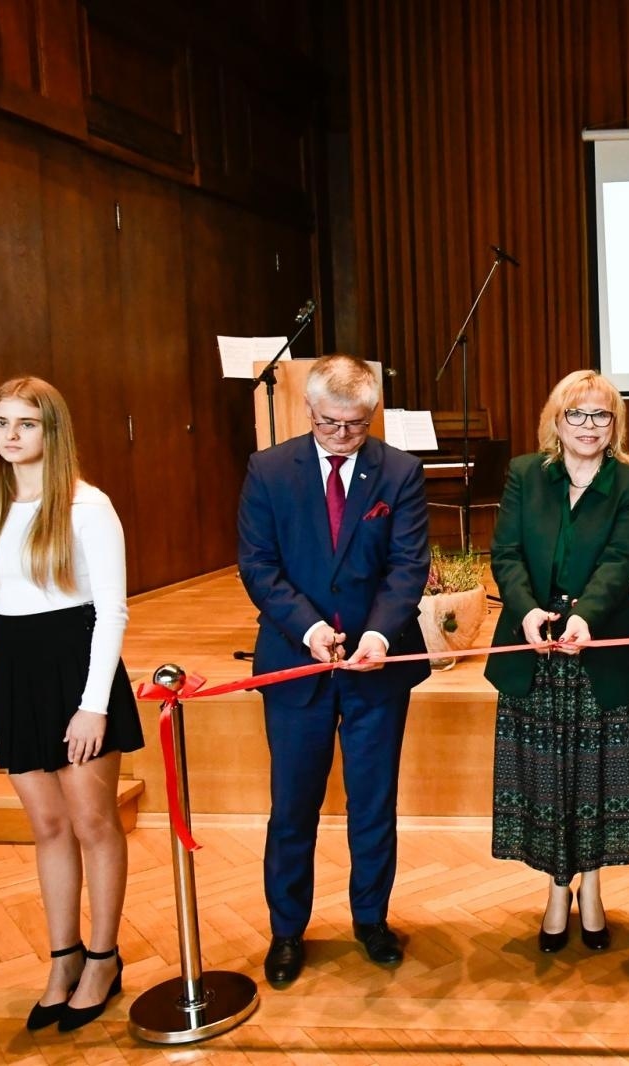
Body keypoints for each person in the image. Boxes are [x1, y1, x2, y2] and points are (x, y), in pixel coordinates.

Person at [0, 377, 144, 1033]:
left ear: (51, 431)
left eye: (26, 424)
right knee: (47, 826)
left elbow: (112, 611)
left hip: (77, 667)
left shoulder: (89, 507)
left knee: (94, 823)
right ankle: (62, 959)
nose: (11, 436)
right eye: (1, 423)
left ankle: (103, 957)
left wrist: (93, 706)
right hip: (12, 671)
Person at [237, 354, 432, 986]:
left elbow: (408, 566)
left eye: (354, 424)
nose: (343, 437)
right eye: (330, 424)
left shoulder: (399, 472)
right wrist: (311, 629)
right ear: (308, 410)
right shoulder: (269, 470)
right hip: (296, 661)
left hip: (377, 665)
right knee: (293, 805)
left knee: (373, 803)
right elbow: (259, 566)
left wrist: (377, 633)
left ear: (371, 413)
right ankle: (287, 930)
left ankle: (371, 920)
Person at [485, 369, 629, 953]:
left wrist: (585, 616)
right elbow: (506, 553)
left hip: (599, 653)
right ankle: (556, 888)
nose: (589, 427)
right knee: (545, 783)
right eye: (577, 415)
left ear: (615, 425)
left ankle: (591, 885)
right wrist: (527, 611)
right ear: (556, 422)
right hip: (533, 652)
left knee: (593, 783)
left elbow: (621, 562)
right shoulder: (523, 475)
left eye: (601, 416)